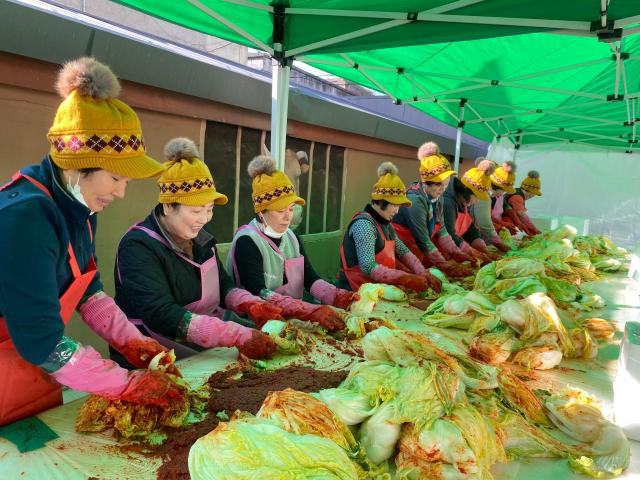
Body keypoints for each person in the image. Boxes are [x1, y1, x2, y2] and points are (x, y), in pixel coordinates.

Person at [0, 58, 184, 426]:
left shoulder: (79, 206)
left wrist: (133, 341)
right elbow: (42, 341)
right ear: (76, 163)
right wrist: (128, 384)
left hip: (28, 370)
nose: (120, 193)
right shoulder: (24, 218)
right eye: (116, 177)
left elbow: (88, 290)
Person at [113, 138, 278, 365]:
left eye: (209, 210)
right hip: (155, 360)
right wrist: (232, 334)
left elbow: (224, 284)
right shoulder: (138, 246)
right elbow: (161, 314)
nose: (203, 219)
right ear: (169, 206)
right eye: (196, 211)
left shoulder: (200, 237)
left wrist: (249, 303)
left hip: (204, 351)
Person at [228, 156, 355, 332]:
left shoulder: (292, 238)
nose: (288, 216)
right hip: (259, 325)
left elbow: (310, 278)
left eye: (291, 209)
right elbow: (258, 293)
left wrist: (334, 295)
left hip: (296, 318)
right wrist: (309, 311)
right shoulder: (247, 242)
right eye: (280, 211)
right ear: (261, 212)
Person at [338, 162, 441, 293]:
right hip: (354, 293)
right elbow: (368, 266)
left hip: (376, 291)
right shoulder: (364, 225)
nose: (397, 211)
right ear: (381, 201)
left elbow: (403, 251)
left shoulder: (386, 225)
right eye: (395, 205)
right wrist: (405, 278)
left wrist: (422, 272)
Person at [392, 142, 473, 278]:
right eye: (439, 185)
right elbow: (423, 240)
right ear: (426, 182)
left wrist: (456, 251)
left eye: (446, 185)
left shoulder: (437, 197)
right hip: (401, 255)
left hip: (418, 252)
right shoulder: (414, 202)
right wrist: (446, 267)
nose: (443, 189)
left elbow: (441, 229)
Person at [441, 160, 499, 265]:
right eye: (477, 197)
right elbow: (449, 234)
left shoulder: (462, 200)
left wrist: (479, 243)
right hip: (435, 252)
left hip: (451, 252)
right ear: (468, 192)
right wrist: (473, 252)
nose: (477, 201)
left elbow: (469, 227)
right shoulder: (447, 203)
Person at [470, 160, 515, 252]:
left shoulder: (483, 192)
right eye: (503, 190)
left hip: (473, 234)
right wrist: (499, 243)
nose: (503, 194)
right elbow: (485, 223)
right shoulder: (483, 195)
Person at [502, 170, 542, 236]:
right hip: (505, 222)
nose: (533, 196)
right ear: (528, 191)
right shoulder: (517, 197)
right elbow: (522, 216)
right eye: (534, 193)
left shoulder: (517, 192)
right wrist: (535, 230)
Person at [488, 161, 519, 236]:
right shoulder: (485, 197)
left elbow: (505, 207)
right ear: (494, 186)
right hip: (488, 232)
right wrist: (501, 224)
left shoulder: (499, 196)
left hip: (496, 232)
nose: (504, 193)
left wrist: (512, 218)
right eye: (503, 190)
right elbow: (486, 217)